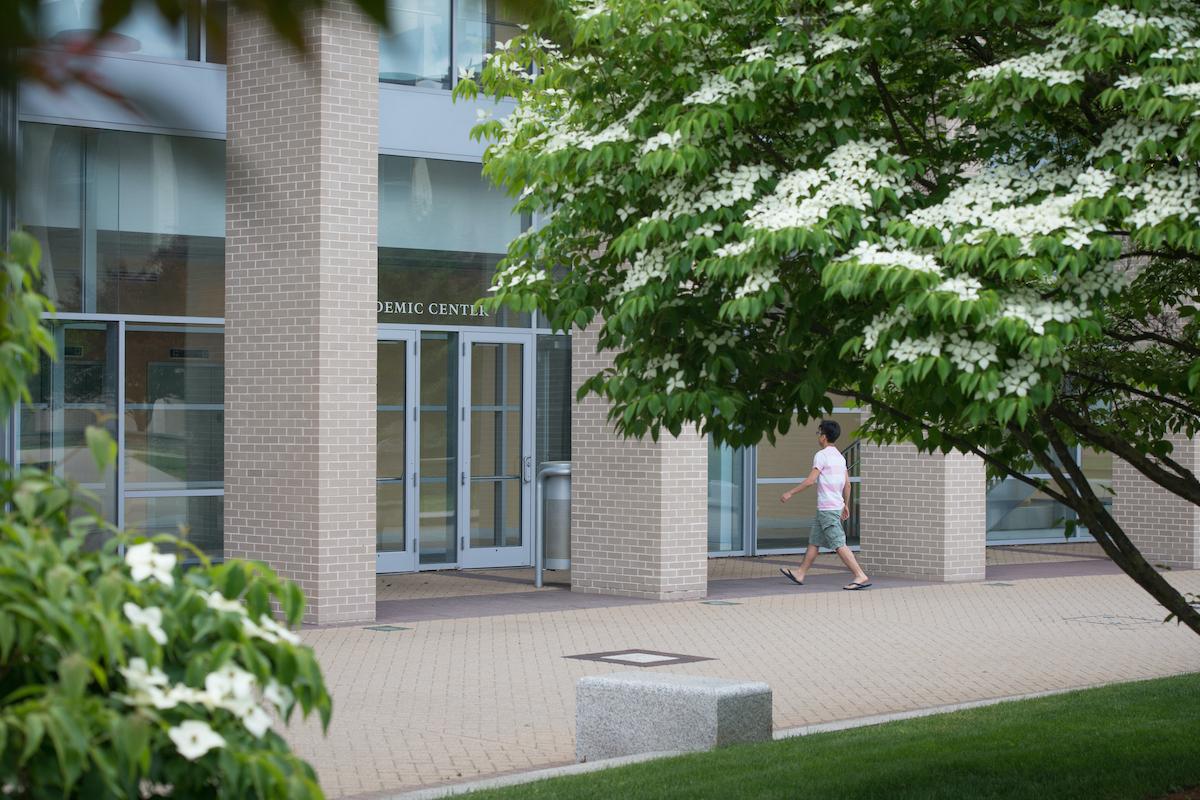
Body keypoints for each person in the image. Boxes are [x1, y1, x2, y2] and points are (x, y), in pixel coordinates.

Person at [778, 420, 872, 590]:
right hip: (831, 507)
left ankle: (860, 575)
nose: (818, 436)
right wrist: (846, 505)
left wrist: (790, 493)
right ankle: (800, 573)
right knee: (815, 541)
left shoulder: (821, 455)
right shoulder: (839, 457)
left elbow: (811, 481)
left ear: (824, 436)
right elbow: (848, 484)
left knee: (839, 543)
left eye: (818, 433)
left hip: (828, 509)